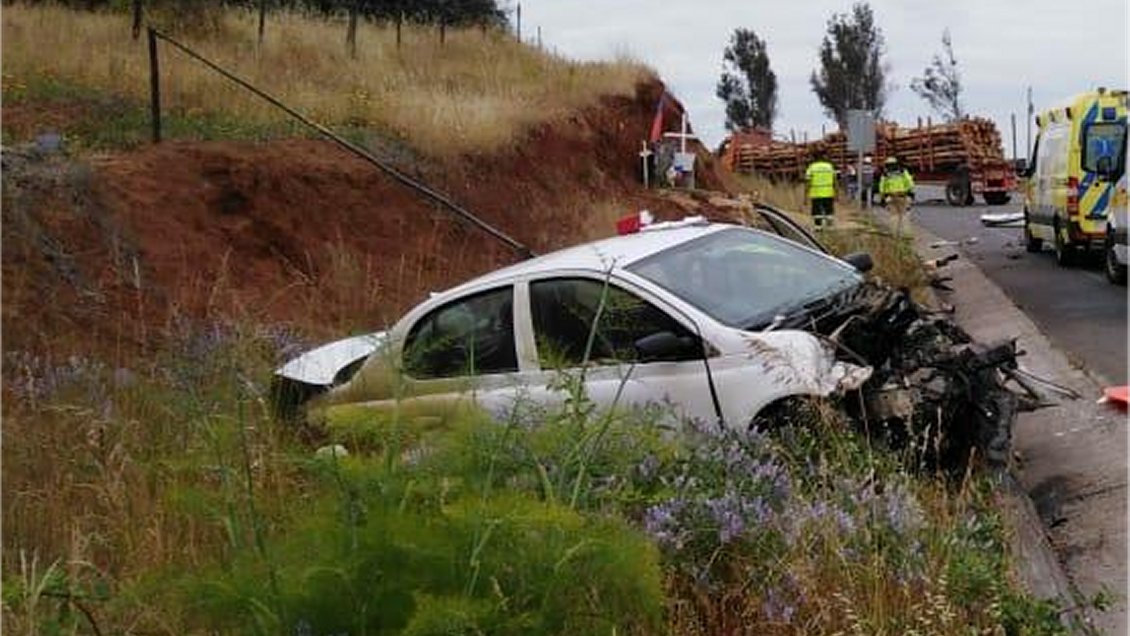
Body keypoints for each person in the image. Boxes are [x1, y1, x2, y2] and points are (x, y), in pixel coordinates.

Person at [879, 156, 915, 237]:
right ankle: (906, 234)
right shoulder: (902, 171)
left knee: (893, 215)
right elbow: (909, 182)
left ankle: (894, 234)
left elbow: (882, 186)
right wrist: (911, 192)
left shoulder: (886, 174)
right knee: (904, 215)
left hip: (891, 196)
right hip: (902, 195)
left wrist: (882, 197)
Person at [804, 150, 836, 228]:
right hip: (828, 192)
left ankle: (818, 226)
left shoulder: (812, 167)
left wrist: (805, 195)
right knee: (829, 209)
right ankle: (830, 226)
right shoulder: (829, 166)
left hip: (816, 192)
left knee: (816, 210)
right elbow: (835, 180)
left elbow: (808, 181)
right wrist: (836, 192)